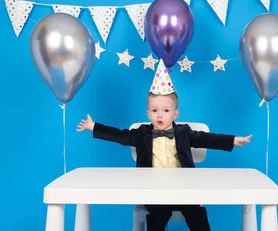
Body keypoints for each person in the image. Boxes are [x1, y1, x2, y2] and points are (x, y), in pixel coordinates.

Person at [76, 60, 252, 231]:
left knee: (197, 213)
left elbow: (207, 139)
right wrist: (94, 126)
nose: (160, 115)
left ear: (175, 114)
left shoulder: (184, 132)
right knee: (158, 214)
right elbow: (120, 136)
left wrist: (232, 140)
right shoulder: (141, 133)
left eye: (166, 111)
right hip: (153, 191)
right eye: (154, 111)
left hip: (184, 189)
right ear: (148, 113)